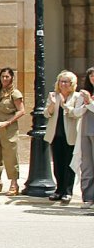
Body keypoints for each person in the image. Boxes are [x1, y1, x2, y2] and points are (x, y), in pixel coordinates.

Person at [44, 70, 83, 203]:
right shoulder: (53, 95)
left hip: (71, 135)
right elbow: (46, 113)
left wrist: (65, 106)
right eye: (61, 81)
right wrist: (54, 104)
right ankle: (58, 190)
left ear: (72, 83)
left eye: (66, 81)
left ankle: (67, 191)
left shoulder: (77, 97)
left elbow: (76, 114)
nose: (63, 84)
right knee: (58, 164)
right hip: (56, 134)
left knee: (69, 164)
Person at [0, 67, 25, 195]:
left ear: (12, 78)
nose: (4, 79)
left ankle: (14, 184)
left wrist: (8, 122)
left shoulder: (15, 93)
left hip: (8, 127)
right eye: (2, 76)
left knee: (10, 154)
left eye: (7, 76)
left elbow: (21, 111)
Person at [76, 68, 94, 210]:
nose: (93, 78)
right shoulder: (84, 93)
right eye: (91, 76)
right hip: (85, 131)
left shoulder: (87, 97)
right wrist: (85, 103)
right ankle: (88, 197)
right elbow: (76, 112)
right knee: (86, 165)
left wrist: (89, 103)